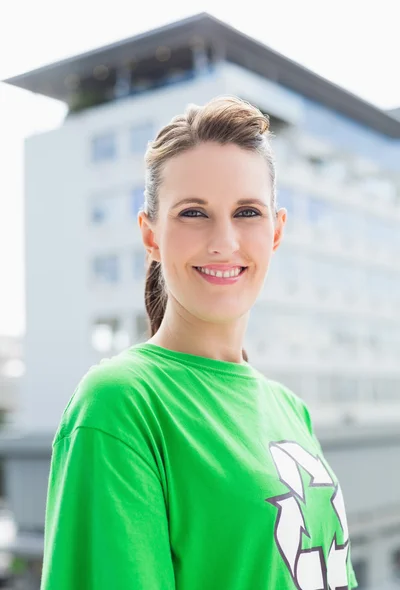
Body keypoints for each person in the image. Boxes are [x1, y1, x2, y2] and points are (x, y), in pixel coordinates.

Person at [40, 96, 358, 590]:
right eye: (193, 213)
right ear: (150, 235)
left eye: (247, 211)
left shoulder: (290, 409)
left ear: (276, 231)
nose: (224, 240)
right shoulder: (121, 403)